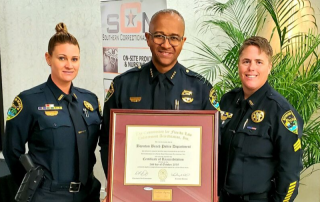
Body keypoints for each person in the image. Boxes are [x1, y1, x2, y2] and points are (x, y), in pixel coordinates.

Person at [100, 8, 220, 199]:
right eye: (159, 36)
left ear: (183, 42)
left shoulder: (202, 88)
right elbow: (108, 143)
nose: (166, 44)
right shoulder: (123, 85)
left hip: (186, 196)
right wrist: (117, 189)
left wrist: (207, 192)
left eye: (174, 37)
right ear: (147, 38)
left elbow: (212, 149)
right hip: (133, 195)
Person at [3, 22, 101, 202]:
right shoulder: (29, 101)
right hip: (47, 196)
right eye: (62, 58)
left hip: (88, 195)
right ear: (48, 58)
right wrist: (32, 187)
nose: (69, 65)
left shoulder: (90, 101)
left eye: (74, 59)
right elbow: (11, 150)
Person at [218, 36, 303, 202]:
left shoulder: (281, 112)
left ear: (269, 67)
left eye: (259, 62)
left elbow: (290, 173)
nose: (251, 68)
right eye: (246, 61)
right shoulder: (227, 102)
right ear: (238, 64)